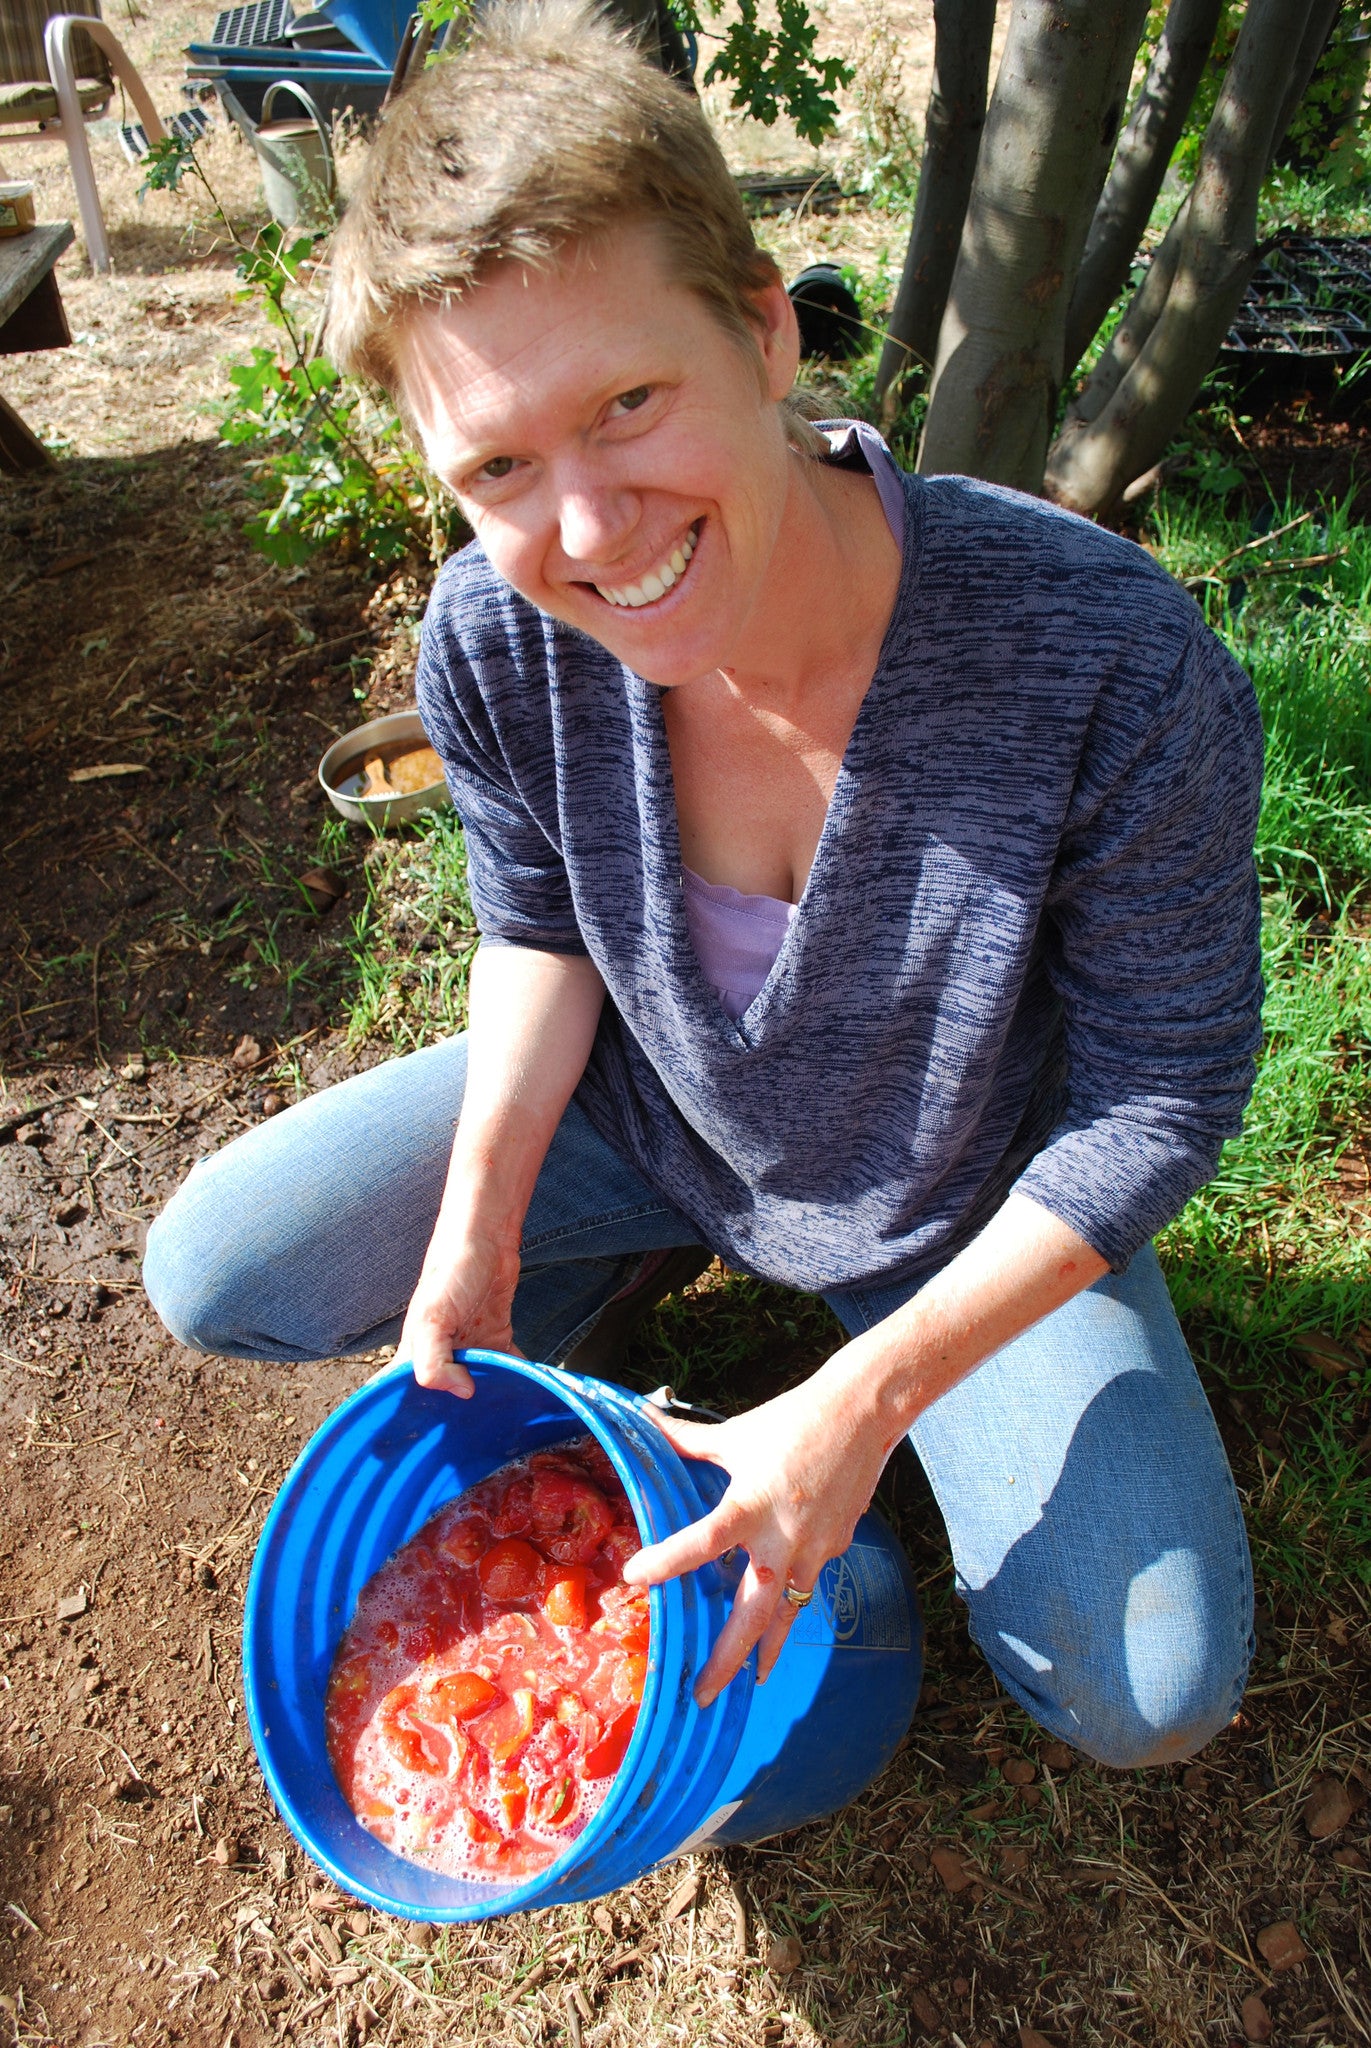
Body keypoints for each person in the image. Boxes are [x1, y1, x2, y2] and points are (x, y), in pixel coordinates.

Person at [144, 0, 1264, 1768]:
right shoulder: (495, 633)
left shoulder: (1104, 656)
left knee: (1151, 1688)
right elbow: (537, 922)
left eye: (629, 403)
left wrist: (866, 1397)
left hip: (959, 1197)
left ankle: (828, 1391)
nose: (591, 532)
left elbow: (1163, 1090)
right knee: (217, 1266)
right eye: (498, 468)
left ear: (760, 328)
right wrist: (481, 1219)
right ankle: (642, 1284)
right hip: (654, 1112)